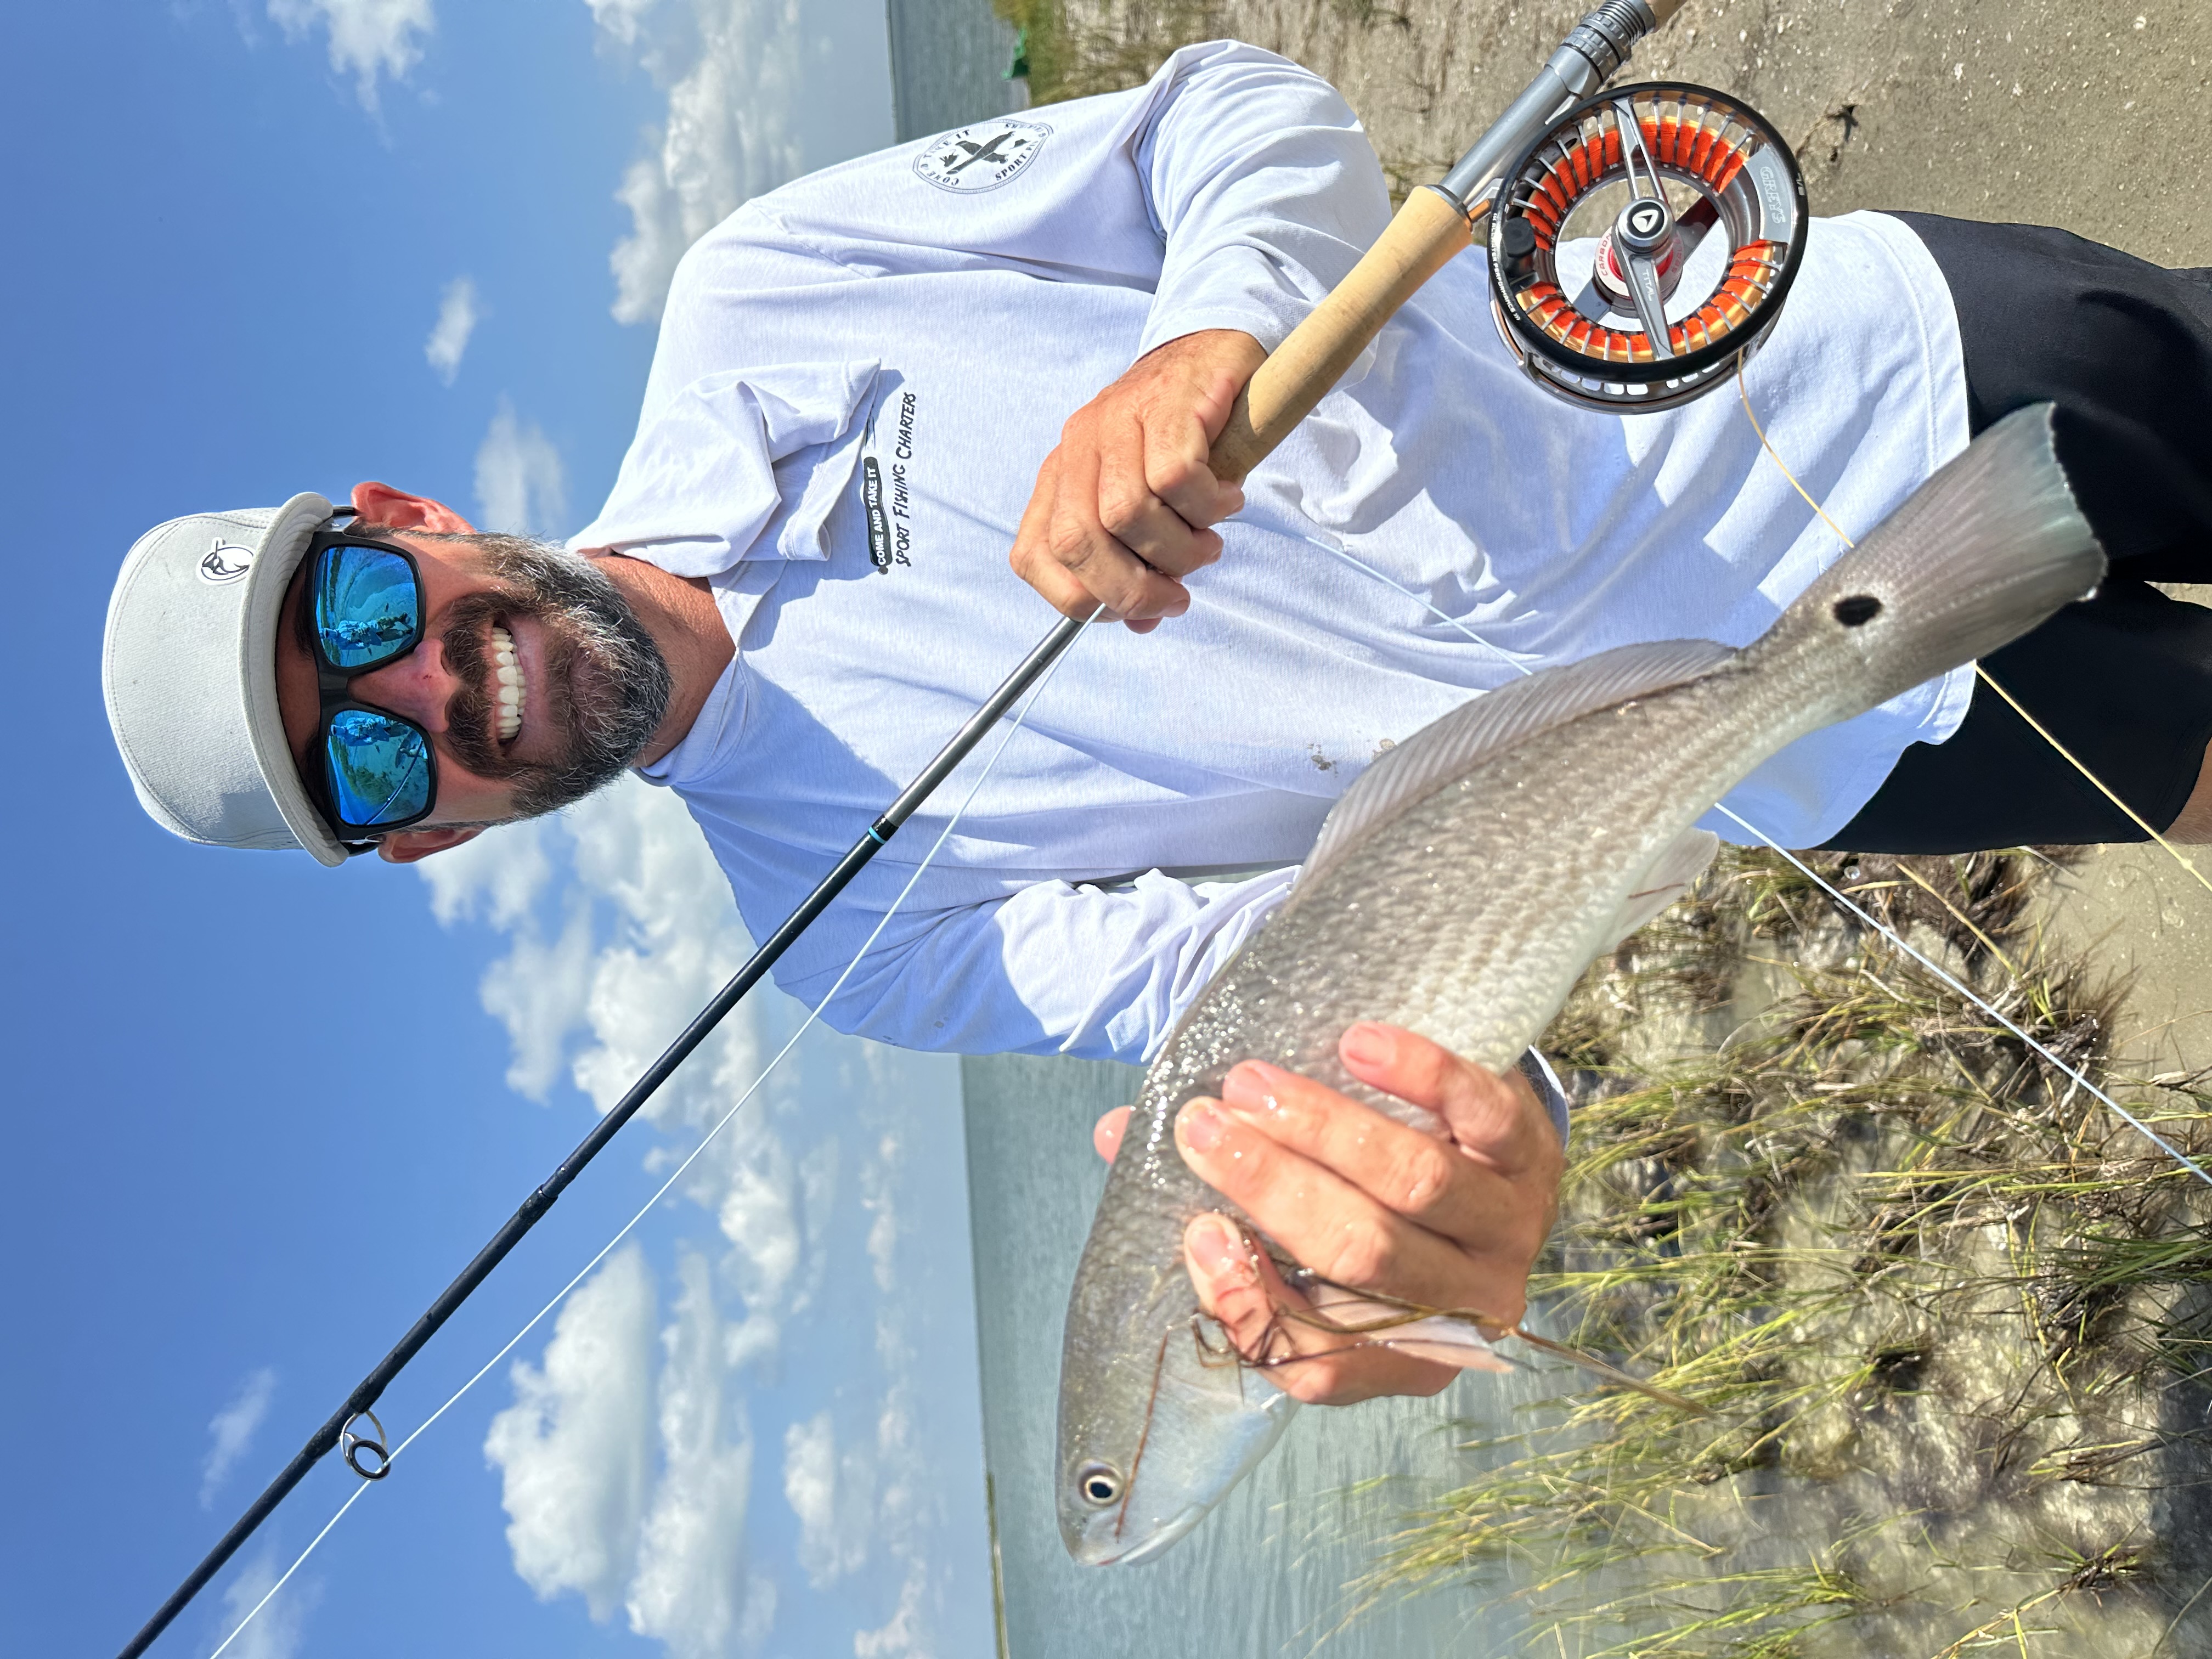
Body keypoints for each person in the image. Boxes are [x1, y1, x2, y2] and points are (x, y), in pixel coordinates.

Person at [101, 43, 2212, 1403]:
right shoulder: (853, 950)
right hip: (1812, 747)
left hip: (1783, 375)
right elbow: (1295, 999)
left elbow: (1232, 110)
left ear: (401, 514)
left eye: (354, 615)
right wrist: (1443, 1192)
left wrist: (1203, 330)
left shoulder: (756, 290)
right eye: (367, 759)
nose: (424, 689)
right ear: (430, 842)